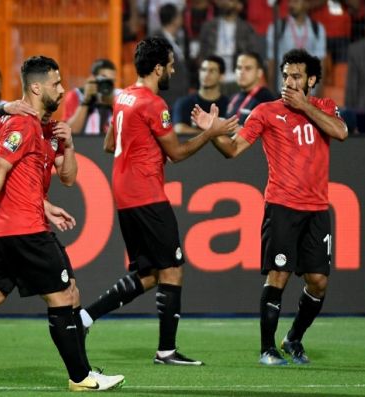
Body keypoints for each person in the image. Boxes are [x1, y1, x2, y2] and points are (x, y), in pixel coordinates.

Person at [0, 56, 124, 392]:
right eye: (56, 83)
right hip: (24, 230)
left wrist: (68, 147)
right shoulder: (21, 123)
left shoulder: (45, 128)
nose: (61, 89)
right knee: (65, 295)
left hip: (13, 229)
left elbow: (68, 178)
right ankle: (81, 376)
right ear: (36, 86)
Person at [79, 36, 238, 366]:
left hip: (125, 195)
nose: (173, 69)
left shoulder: (123, 96)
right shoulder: (153, 104)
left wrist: (148, 152)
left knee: (152, 274)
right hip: (146, 195)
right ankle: (166, 351)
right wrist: (211, 131)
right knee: (174, 269)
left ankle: (83, 319)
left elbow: (111, 145)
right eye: (169, 64)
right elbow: (177, 153)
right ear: (157, 68)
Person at [192, 48, 348, 365]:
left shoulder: (324, 107)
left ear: (311, 80)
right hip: (282, 206)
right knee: (279, 274)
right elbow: (233, 150)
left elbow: (341, 132)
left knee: (318, 282)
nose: (289, 82)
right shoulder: (265, 111)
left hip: (317, 210)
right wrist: (212, 132)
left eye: (296, 76)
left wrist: (305, 106)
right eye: (286, 75)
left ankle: (293, 339)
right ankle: (267, 349)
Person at [198, 0, 262, 95]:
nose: (226, 2)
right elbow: (202, 55)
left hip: (236, 80)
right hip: (213, 78)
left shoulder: (247, 29)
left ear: (239, 6)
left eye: (231, 1)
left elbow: (253, 56)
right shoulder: (208, 27)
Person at [266, 0, 327, 93]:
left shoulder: (318, 29)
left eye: (296, 1)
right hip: (283, 90)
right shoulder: (278, 27)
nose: (291, 4)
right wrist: (270, 93)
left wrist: (319, 94)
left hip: (308, 92)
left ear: (307, 4)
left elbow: (321, 63)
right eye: (290, 1)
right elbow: (271, 62)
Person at [173, 55, 230, 134]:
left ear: (221, 76)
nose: (206, 74)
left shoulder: (229, 105)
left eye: (212, 71)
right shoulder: (184, 103)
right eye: (203, 70)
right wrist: (212, 133)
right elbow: (179, 129)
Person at [62, 59, 120, 135]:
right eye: (104, 79)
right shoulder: (76, 95)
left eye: (111, 81)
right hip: (83, 144)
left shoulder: (118, 96)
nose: (107, 85)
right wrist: (85, 101)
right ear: (93, 78)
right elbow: (70, 132)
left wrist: (113, 105)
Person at [151, 3, 190, 109]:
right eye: (179, 15)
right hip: (166, 99)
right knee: (165, 125)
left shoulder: (176, 39)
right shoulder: (156, 40)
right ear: (174, 19)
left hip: (179, 98)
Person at [226, 52, 276, 129]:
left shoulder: (266, 100)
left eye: (248, 68)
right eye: (239, 68)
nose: (241, 72)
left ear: (259, 73)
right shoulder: (234, 97)